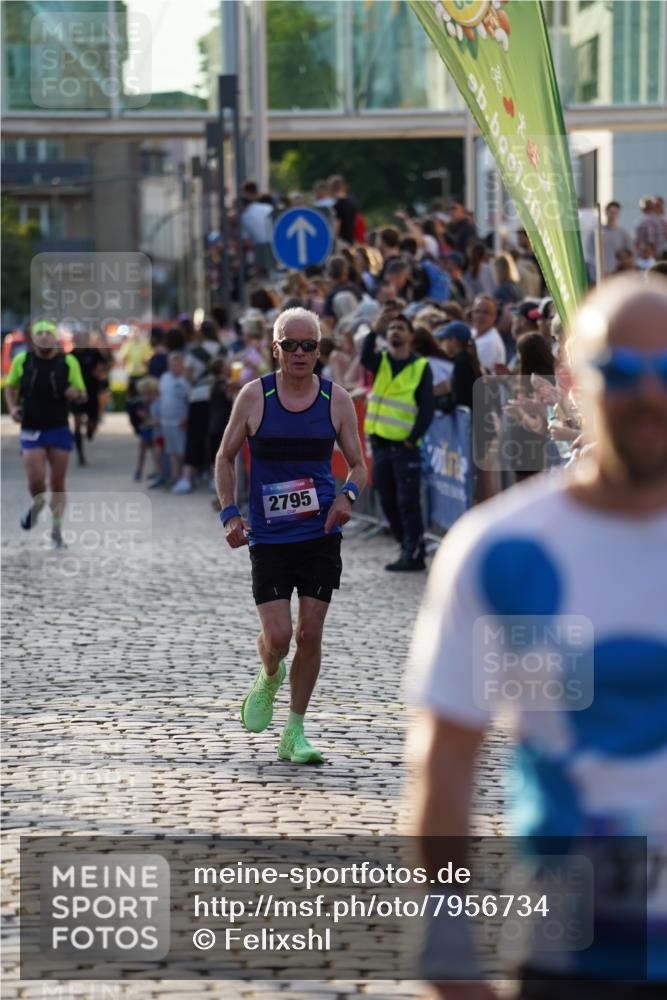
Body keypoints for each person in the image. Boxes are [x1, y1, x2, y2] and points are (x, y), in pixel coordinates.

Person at [407, 273, 667, 997]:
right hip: (574, 954)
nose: (647, 393)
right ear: (570, 382)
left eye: (666, 370)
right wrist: (447, 937)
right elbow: (448, 753)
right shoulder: (503, 549)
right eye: (619, 371)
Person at [215, 307, 367, 764]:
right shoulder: (254, 396)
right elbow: (225, 457)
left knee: (310, 632)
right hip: (269, 537)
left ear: (319, 351)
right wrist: (229, 514)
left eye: (310, 346)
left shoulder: (335, 400)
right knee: (279, 636)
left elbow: (358, 463)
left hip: (320, 532)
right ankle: (268, 673)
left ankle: (294, 731)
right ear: (275, 347)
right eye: (291, 345)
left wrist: (348, 498)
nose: (301, 354)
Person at [362, 311, 435, 572]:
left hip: (404, 447)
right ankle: (407, 545)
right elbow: (364, 357)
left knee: (408, 502)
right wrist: (375, 328)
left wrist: (412, 439)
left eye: (400, 328)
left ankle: (413, 551)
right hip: (380, 443)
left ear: (410, 336)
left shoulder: (420, 367)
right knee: (387, 500)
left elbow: (427, 408)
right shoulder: (380, 360)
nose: (395, 331)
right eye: (391, 328)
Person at [4, 319, 86, 548]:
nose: (43, 337)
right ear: (33, 338)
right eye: (39, 333)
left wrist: (75, 394)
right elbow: (10, 387)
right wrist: (11, 408)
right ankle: (37, 505)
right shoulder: (23, 360)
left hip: (59, 428)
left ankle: (56, 531)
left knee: (57, 482)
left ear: (55, 337)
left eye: (48, 333)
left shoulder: (68, 362)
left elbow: (83, 394)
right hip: (31, 428)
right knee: (36, 480)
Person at [70, 330, 107, 466]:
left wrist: (100, 372)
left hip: (91, 393)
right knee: (77, 424)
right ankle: (80, 456)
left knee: (92, 421)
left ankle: (90, 430)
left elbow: (104, 365)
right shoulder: (71, 356)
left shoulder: (94, 353)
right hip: (77, 394)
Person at [159, 351, 190, 486]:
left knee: (181, 450)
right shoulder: (164, 378)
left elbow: (189, 400)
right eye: (172, 365)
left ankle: (185, 476)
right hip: (166, 421)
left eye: (177, 365)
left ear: (182, 365)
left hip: (179, 421)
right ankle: (175, 475)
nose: (174, 367)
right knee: (171, 450)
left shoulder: (186, 380)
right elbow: (162, 397)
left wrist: (186, 417)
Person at [586, 200, 633, 280]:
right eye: (611, 212)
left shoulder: (623, 234)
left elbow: (630, 254)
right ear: (606, 212)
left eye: (615, 213)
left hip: (616, 276)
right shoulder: (596, 232)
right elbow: (590, 253)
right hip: (599, 275)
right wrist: (600, 269)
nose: (613, 215)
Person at [470, 295, 507, 373]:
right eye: (477, 311)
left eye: (485, 313)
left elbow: (470, 370)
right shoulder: (474, 331)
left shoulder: (490, 343)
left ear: (494, 317)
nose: (480, 316)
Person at [329, 174, 357, 245]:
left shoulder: (337, 205)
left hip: (342, 241)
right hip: (351, 238)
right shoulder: (352, 202)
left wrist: (333, 240)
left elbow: (337, 224)